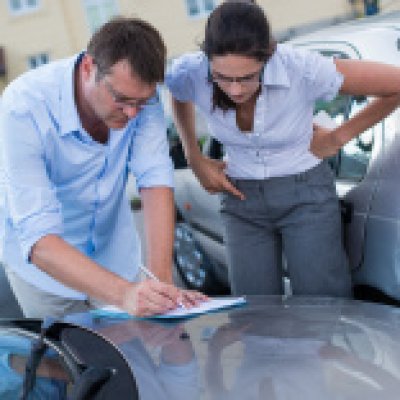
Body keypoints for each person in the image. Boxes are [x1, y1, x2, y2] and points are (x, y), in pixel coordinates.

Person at [166, 1, 400, 296]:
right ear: (208, 61)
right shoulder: (191, 71)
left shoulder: (301, 68)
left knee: (323, 309)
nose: (235, 90)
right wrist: (193, 156)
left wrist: (338, 138)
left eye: (247, 77)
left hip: (306, 198)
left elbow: (395, 84)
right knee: (255, 313)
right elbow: (178, 92)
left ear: (269, 55)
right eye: (223, 78)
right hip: (240, 200)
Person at [0, 17, 206, 319]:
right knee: (64, 362)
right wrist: (125, 295)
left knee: (132, 358)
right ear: (88, 67)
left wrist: (160, 284)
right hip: (46, 274)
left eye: (141, 102)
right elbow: (39, 240)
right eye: (121, 99)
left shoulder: (140, 100)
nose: (132, 112)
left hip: (116, 258)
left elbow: (155, 179)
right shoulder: (22, 107)